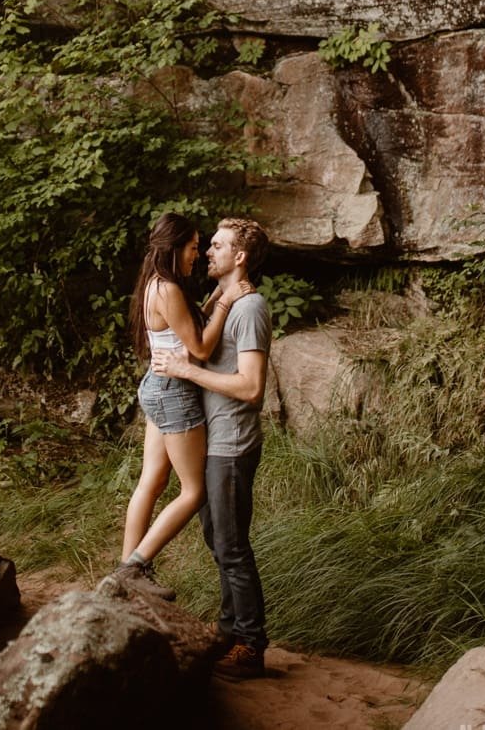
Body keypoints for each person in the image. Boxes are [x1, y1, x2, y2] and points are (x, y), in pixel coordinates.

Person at [153, 216, 272, 680]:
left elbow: (251, 388)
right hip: (212, 440)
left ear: (239, 257)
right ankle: (229, 631)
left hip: (232, 444)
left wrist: (187, 373)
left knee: (232, 546)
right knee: (218, 542)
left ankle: (251, 645)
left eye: (218, 246)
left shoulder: (250, 308)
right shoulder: (223, 300)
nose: (208, 252)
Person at [114, 212, 251, 596]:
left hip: (158, 386)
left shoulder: (157, 284)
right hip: (174, 393)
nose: (198, 254)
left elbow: (189, 327)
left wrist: (216, 298)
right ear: (175, 248)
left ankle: (125, 576)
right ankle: (134, 569)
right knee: (194, 491)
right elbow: (201, 347)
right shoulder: (169, 290)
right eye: (193, 247)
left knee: (152, 482)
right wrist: (227, 302)